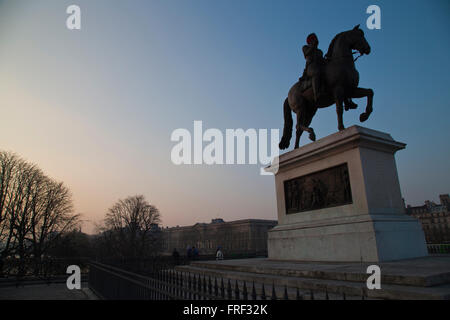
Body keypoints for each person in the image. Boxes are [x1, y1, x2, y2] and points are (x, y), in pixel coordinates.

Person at [300, 33, 325, 104]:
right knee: (316, 72)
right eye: (314, 39)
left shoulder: (320, 51)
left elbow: (322, 60)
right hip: (310, 67)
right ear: (310, 41)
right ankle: (316, 94)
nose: (316, 41)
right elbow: (307, 53)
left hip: (320, 65)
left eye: (316, 40)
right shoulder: (305, 47)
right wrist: (312, 46)